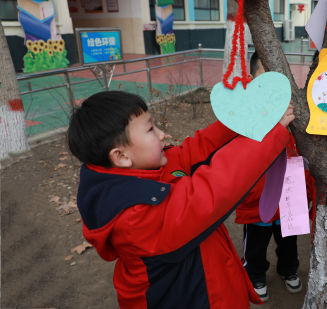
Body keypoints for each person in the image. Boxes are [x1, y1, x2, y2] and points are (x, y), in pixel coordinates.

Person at [67, 90, 295, 308]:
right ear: (121, 156)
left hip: (215, 289)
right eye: (150, 130)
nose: (161, 134)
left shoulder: (148, 169)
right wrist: (268, 137)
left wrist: (251, 116)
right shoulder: (135, 216)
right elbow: (212, 191)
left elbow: (199, 149)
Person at [235, 52, 316, 302]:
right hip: (258, 198)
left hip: (289, 197)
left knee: (288, 241)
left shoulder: (297, 112)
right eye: (267, 76)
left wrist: (309, 192)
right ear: (251, 79)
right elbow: (239, 158)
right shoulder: (244, 115)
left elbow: (307, 152)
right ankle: (255, 274)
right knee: (256, 243)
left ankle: (288, 269)